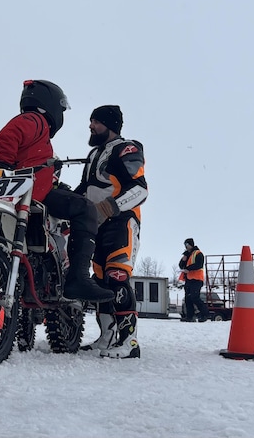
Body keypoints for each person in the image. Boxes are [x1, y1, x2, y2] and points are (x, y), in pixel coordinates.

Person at [0, 80, 113, 304]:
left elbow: (25, 159)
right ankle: (78, 277)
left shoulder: (37, 133)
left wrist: (2, 169)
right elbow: (8, 136)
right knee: (85, 208)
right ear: (50, 104)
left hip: (20, 193)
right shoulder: (35, 120)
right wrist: (2, 165)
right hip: (29, 193)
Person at [76, 104, 147, 359]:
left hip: (122, 222)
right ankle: (106, 338)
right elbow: (84, 190)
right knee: (99, 281)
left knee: (117, 276)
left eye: (95, 121)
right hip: (95, 226)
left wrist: (109, 207)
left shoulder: (127, 148)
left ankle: (129, 342)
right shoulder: (94, 154)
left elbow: (140, 189)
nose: (91, 126)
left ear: (110, 124)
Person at [179, 238, 210, 322]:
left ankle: (204, 314)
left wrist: (188, 269)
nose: (186, 247)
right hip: (189, 279)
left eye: (187, 245)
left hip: (197, 279)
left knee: (195, 297)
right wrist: (183, 260)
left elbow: (199, 265)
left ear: (191, 244)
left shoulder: (198, 253)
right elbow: (181, 266)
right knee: (188, 298)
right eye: (185, 245)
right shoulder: (187, 255)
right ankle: (190, 316)